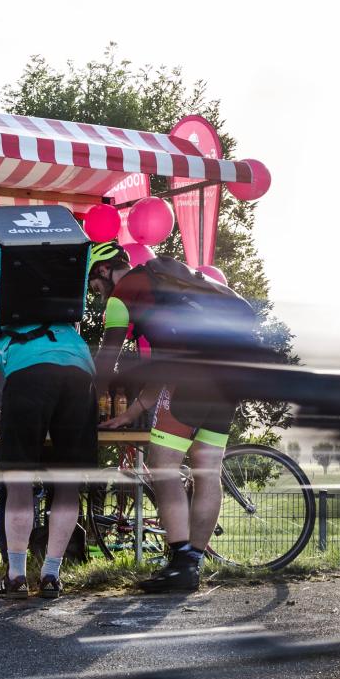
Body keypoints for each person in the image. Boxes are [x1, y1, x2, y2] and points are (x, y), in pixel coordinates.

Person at [89, 243, 253, 593]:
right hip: (230, 375)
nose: (96, 293)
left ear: (102, 270)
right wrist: (132, 412)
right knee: (207, 470)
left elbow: (106, 360)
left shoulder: (122, 296)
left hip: (191, 378)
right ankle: (191, 565)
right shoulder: (167, 281)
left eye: (94, 284)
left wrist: (87, 402)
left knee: (163, 466)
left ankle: (180, 563)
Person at [0, 253, 97, 601]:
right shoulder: (59, 310)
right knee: (68, 484)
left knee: (18, 483)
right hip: (82, 375)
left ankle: (16, 576)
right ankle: (51, 575)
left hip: (28, 376)